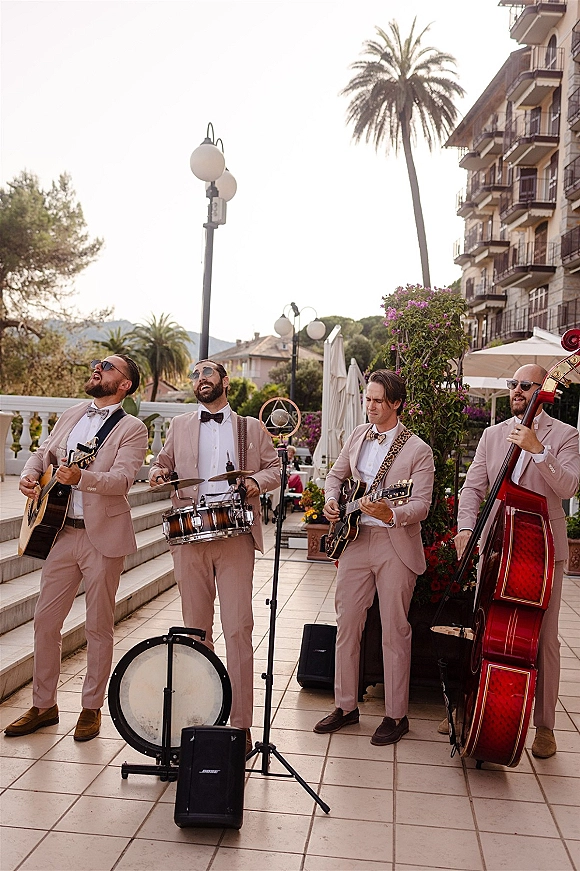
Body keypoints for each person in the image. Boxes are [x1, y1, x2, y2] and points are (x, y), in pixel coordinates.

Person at [5, 356, 148, 742]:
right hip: (60, 532)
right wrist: (32, 474)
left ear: (125, 385)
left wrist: (82, 476)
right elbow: (43, 452)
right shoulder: (71, 413)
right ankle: (43, 705)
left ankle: (90, 708)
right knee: (45, 622)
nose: (97, 368)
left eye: (108, 366)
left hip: (103, 537)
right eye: (97, 363)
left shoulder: (133, 428)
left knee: (98, 627)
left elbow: (121, 480)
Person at [444, 364, 580, 759]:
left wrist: (538, 450)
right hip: (497, 546)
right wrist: (466, 529)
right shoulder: (492, 434)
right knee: (484, 627)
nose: (517, 391)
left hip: (541, 551)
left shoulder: (565, 435)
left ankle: (545, 726)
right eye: (513, 385)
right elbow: (473, 487)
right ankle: (471, 704)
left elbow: (570, 485)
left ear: (543, 389)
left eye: (525, 385)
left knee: (545, 640)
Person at [148, 360, 280, 752]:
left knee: (239, 628)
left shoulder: (251, 429)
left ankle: (240, 728)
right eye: (195, 375)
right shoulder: (180, 425)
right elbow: (163, 463)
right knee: (195, 632)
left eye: (208, 374)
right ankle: (202, 719)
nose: (200, 380)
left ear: (224, 381)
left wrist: (256, 481)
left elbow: (274, 468)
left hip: (235, 535)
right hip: (189, 535)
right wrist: (158, 474)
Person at [313, 370, 435, 745]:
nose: (371, 406)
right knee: (347, 623)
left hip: (394, 543)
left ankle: (396, 715)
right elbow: (335, 476)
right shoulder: (357, 435)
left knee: (395, 628)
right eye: (367, 399)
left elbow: (422, 505)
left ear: (397, 403)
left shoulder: (418, 450)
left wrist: (391, 513)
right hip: (354, 539)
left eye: (378, 400)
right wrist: (333, 500)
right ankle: (346, 706)